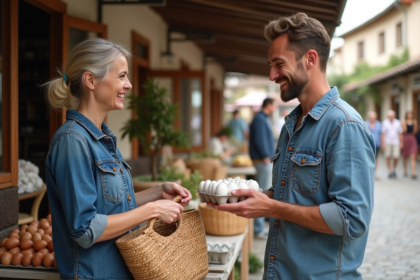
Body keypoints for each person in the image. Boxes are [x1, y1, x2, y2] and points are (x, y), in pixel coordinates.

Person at [209, 13, 375, 280]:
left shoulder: (344, 125)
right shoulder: (292, 124)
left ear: (310, 59)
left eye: (279, 64)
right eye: (270, 64)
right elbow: (292, 193)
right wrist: (257, 198)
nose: (272, 75)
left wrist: (272, 208)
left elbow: (351, 219)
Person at [44, 38, 191, 280]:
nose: (129, 85)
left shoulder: (103, 138)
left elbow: (113, 207)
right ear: (91, 80)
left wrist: (157, 192)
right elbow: (85, 228)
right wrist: (153, 210)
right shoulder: (72, 142)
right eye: (122, 76)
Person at [249, 97, 276, 239]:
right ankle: (258, 229)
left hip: (263, 159)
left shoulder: (262, 118)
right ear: (269, 105)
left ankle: (259, 226)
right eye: (274, 105)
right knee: (261, 194)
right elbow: (260, 140)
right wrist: (266, 156)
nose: (275, 108)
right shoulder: (260, 119)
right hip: (262, 160)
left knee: (262, 191)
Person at [381, 110, 403, 178]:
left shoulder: (398, 122)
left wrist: (402, 142)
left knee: (396, 156)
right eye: (390, 116)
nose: (391, 117)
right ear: (388, 116)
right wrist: (383, 143)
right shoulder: (385, 123)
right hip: (387, 141)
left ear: (394, 116)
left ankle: (394, 169)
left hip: (396, 142)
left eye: (392, 116)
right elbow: (383, 133)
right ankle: (390, 171)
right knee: (388, 156)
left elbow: (400, 133)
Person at [401, 111, 418, 179]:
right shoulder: (403, 121)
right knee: (405, 156)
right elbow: (404, 131)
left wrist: (414, 124)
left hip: (412, 138)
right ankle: (405, 170)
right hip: (405, 138)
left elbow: (415, 131)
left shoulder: (414, 121)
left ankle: (413, 172)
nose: (410, 115)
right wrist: (404, 123)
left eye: (411, 114)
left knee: (413, 156)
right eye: (408, 114)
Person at [365, 111, 382, 179]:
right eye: (371, 117)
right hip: (367, 143)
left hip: (377, 143)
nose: (372, 119)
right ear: (369, 118)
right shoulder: (365, 124)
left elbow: (381, 134)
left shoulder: (379, 124)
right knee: (367, 158)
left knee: (376, 158)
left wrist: (382, 143)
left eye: (373, 117)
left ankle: (375, 173)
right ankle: (368, 173)